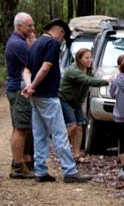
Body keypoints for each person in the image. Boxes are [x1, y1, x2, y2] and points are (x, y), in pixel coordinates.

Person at [22, 18, 92, 184]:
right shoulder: (52, 44)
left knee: (40, 133)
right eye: (63, 37)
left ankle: (40, 170)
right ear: (60, 32)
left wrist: (29, 87)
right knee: (60, 133)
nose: (61, 41)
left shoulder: (37, 43)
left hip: (36, 96)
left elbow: (26, 70)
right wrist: (33, 86)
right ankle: (69, 170)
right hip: (48, 96)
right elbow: (45, 68)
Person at [59, 47, 110, 159]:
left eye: (90, 58)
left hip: (76, 101)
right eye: (86, 58)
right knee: (72, 126)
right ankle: (61, 148)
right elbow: (89, 81)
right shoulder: (74, 70)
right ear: (79, 59)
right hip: (65, 99)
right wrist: (106, 81)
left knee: (80, 127)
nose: (89, 60)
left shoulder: (88, 70)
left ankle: (76, 154)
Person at [4, 12, 36, 179]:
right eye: (29, 25)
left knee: (21, 127)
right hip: (19, 90)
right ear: (19, 26)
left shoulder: (19, 42)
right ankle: (18, 166)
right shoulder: (18, 44)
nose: (32, 28)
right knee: (21, 128)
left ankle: (21, 161)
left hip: (16, 88)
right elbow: (33, 62)